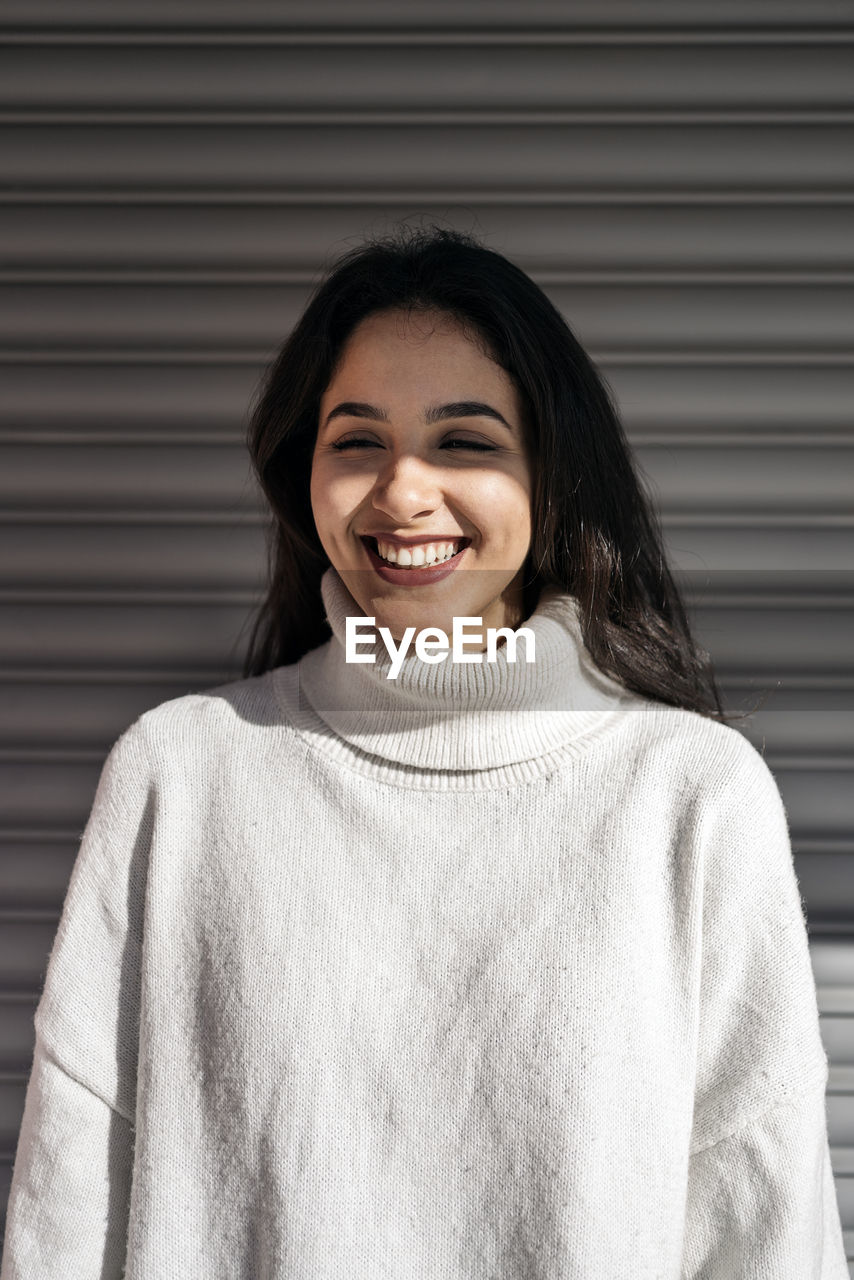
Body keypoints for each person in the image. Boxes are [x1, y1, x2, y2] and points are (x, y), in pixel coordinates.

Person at [1, 226, 847, 1279]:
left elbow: (763, 1234)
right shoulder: (181, 775)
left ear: (550, 477)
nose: (402, 492)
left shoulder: (688, 798)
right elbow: (65, 1213)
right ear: (302, 473)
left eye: (463, 441)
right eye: (356, 440)